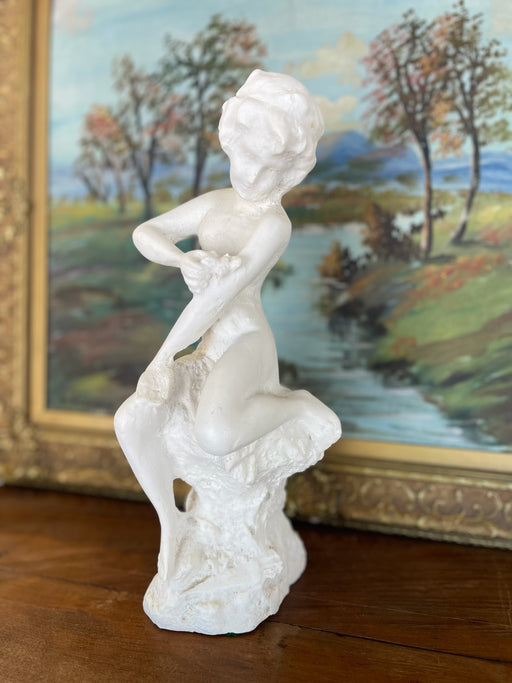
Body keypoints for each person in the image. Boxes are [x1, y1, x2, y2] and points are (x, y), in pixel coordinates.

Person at [128, 69, 340, 458]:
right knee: (130, 421)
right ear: (231, 144)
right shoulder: (215, 202)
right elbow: (145, 233)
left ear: (289, 171)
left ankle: (297, 406)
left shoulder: (274, 224)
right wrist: (182, 259)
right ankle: (168, 504)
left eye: (269, 167)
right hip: (207, 339)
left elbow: (216, 297)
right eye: (246, 157)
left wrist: (162, 358)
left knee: (216, 435)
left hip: (246, 338)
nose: (252, 174)